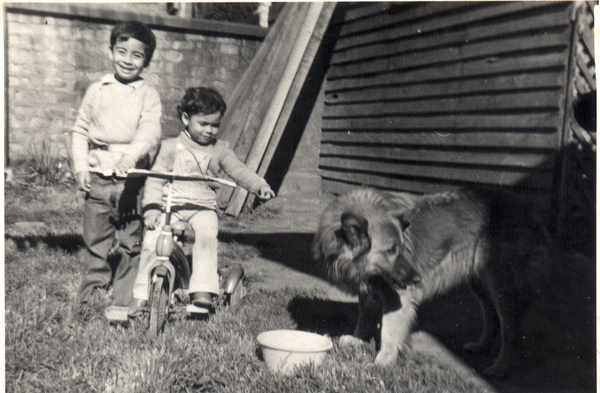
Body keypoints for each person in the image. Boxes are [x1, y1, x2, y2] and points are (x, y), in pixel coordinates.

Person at [129, 87, 275, 315]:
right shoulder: (169, 147)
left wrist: (259, 185)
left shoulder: (220, 149)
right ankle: (141, 294)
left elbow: (238, 170)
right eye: (203, 124)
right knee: (152, 242)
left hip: (203, 206)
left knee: (206, 238)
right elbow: (155, 179)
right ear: (186, 119)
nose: (209, 130)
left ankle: (203, 290)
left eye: (215, 125)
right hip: (171, 205)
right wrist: (151, 209)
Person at [71, 21, 162, 309]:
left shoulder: (147, 94)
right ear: (111, 51)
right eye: (121, 51)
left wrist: (131, 156)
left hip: (131, 179)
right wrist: (81, 167)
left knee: (130, 241)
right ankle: (92, 292)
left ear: (146, 60)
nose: (127, 60)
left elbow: (150, 132)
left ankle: (125, 297)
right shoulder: (98, 90)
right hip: (98, 176)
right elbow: (80, 130)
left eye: (137, 55)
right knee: (95, 240)